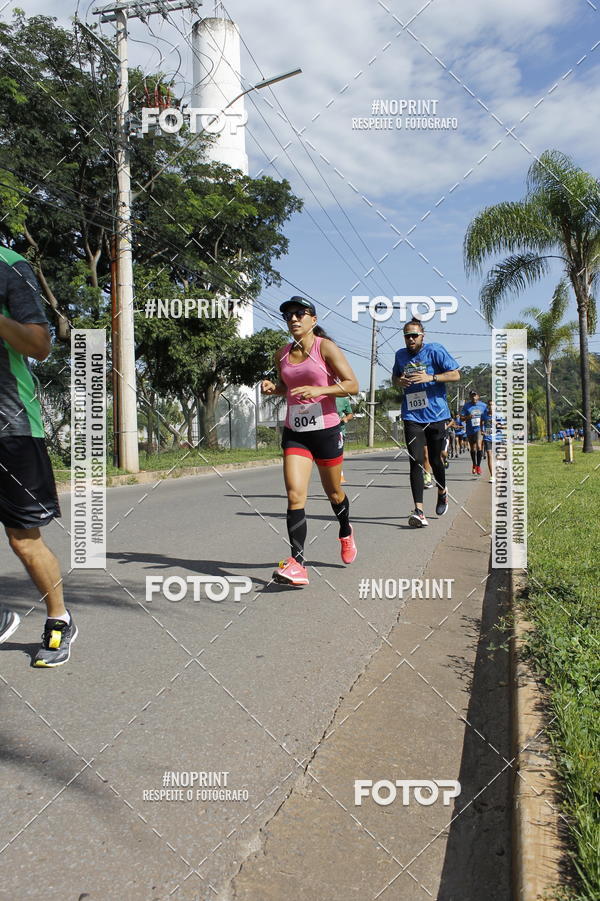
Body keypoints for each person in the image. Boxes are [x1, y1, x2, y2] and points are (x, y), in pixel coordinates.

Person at [0, 246, 77, 666]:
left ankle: (58, 619)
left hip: (11, 425)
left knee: (23, 540)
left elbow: (40, 344)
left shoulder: (10, 265)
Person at [261, 297, 359, 586]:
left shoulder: (324, 347)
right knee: (294, 495)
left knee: (334, 493)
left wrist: (320, 389)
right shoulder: (281, 354)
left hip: (326, 431)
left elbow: (352, 385)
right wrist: (275, 389)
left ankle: (345, 530)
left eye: (299, 314)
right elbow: (290, 389)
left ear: (313, 319)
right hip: (296, 432)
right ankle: (298, 563)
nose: (293, 318)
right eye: (289, 315)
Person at [392, 318, 460, 527]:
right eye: (407, 336)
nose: (411, 339)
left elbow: (456, 374)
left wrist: (431, 378)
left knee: (437, 460)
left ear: (423, 335)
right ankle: (419, 511)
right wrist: (399, 381)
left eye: (414, 335)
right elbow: (395, 378)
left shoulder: (435, 350)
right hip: (412, 415)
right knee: (416, 461)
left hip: (436, 415)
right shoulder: (400, 355)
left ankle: (442, 491)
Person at [460, 390, 488, 475]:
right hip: (470, 429)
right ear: (470, 397)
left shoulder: (483, 405)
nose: (473, 397)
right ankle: (474, 464)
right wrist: (468, 417)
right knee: (473, 448)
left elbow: (487, 417)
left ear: (478, 396)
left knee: (479, 446)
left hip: (479, 429)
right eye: (472, 396)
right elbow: (461, 418)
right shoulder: (466, 406)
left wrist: (484, 423)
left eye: (475, 395)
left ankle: (478, 466)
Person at [482, 400, 505, 482]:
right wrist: (482, 430)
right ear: (488, 406)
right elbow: (482, 422)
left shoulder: (499, 415)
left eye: (493, 405)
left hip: (498, 437)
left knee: (497, 457)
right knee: (489, 455)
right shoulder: (484, 414)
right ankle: (492, 476)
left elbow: (504, 427)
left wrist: (495, 423)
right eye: (490, 405)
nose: (491, 406)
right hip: (488, 437)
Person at [336, 395, 353, 483]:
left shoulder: (342, 399)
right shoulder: (322, 396)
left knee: (337, 454)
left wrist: (345, 418)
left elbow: (350, 414)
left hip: (339, 431)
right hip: (324, 430)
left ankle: (340, 475)